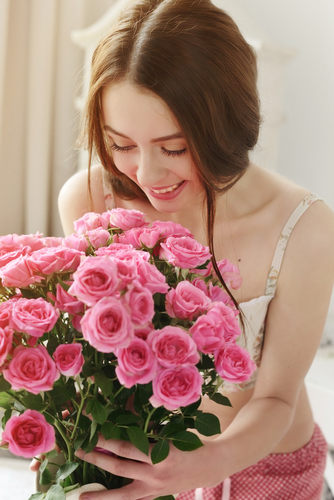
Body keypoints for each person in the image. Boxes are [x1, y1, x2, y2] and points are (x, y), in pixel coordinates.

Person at [57, 0, 334, 498]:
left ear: (226, 126)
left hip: (266, 472)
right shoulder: (92, 198)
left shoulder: (305, 228)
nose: (146, 174)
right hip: (140, 459)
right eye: (121, 144)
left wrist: (202, 467)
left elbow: (275, 396)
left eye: (175, 148)